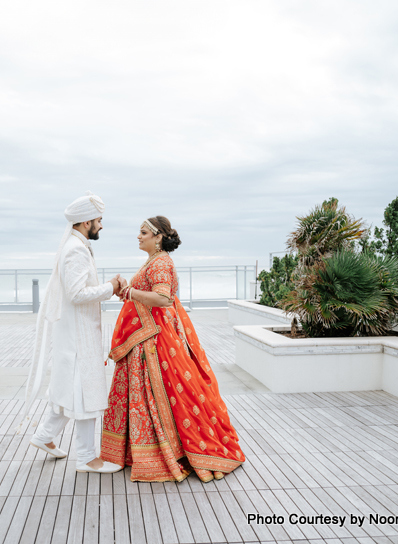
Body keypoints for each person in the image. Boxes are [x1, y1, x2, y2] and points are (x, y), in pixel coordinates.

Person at [100, 216, 245, 482]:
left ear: (158, 237)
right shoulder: (155, 261)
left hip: (154, 341)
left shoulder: (161, 262)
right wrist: (128, 290)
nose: (138, 236)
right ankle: (142, 451)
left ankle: (165, 453)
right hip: (150, 336)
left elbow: (164, 299)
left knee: (160, 394)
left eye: (143, 232)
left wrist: (130, 292)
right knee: (154, 395)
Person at [24, 191, 125, 474]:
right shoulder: (76, 249)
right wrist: (111, 287)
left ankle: (43, 436)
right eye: (99, 220)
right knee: (85, 394)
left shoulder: (73, 245)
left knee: (69, 389)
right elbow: (77, 293)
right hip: (80, 337)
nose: (101, 226)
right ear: (85, 222)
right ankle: (86, 458)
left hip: (76, 333)